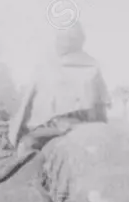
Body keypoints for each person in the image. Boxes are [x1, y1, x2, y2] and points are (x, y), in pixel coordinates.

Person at [7, 21, 111, 156]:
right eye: (61, 38)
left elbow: (100, 107)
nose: (65, 42)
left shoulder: (91, 67)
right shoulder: (45, 66)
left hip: (83, 127)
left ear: (79, 40)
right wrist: (18, 133)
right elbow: (28, 105)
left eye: (70, 38)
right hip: (51, 127)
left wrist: (103, 131)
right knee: (26, 146)